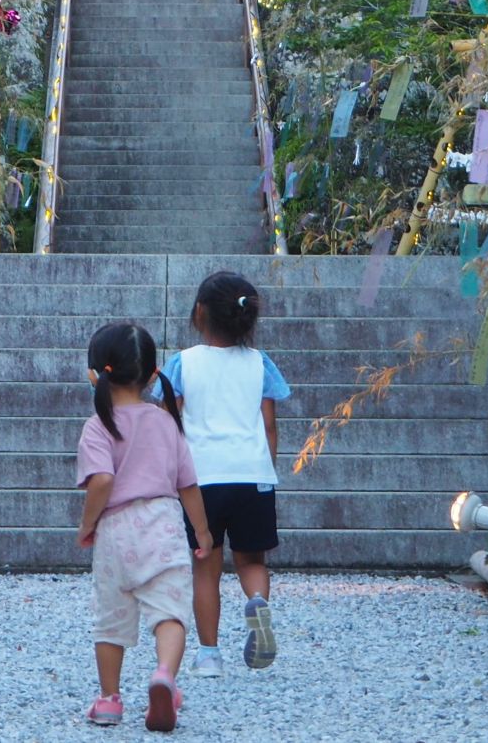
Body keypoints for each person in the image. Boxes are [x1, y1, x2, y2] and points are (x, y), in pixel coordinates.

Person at [77, 322, 215, 732]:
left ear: (93, 374)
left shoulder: (97, 424)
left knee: (111, 619)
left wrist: (87, 525)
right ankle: (164, 677)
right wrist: (203, 533)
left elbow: (101, 481)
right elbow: (188, 484)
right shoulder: (164, 422)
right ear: (153, 376)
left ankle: (108, 700)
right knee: (170, 611)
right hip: (164, 525)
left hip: (116, 530)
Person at [160, 271, 289, 678]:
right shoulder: (260, 364)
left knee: (206, 566)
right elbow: (269, 425)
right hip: (253, 474)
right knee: (252, 560)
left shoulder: (183, 363)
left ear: (199, 313)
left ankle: (210, 654)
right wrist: (266, 465)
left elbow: (168, 422)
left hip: (203, 480)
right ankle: (257, 602)